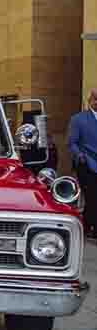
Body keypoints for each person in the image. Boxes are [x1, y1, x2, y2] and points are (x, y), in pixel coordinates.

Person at [68, 89, 97, 239]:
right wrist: (80, 156)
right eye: (95, 99)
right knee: (92, 196)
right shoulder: (78, 119)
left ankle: (86, 225)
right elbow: (72, 143)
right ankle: (92, 227)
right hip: (87, 164)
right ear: (90, 101)